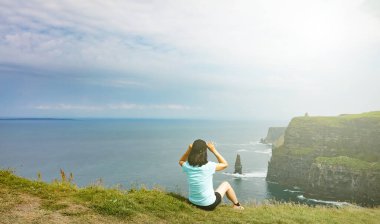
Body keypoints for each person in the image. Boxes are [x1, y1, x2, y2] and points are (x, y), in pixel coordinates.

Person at [179, 139, 244, 211]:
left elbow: (181, 161)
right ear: (204, 151)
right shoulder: (209, 166)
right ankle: (237, 205)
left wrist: (189, 149)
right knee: (226, 184)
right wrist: (213, 149)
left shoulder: (188, 166)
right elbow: (225, 164)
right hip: (209, 205)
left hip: (193, 202)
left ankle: (236, 205)